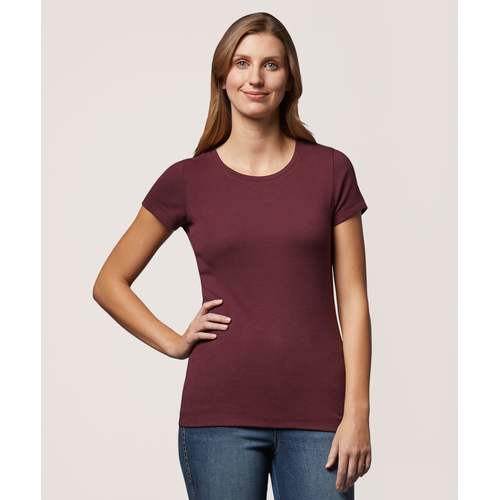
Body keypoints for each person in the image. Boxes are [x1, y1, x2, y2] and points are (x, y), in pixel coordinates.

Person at [93, 11, 372, 500]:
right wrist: (174, 341)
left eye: (271, 65)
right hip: (218, 418)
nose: (255, 78)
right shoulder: (187, 180)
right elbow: (109, 282)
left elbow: (353, 300)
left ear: (290, 80)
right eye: (242, 63)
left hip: (320, 417)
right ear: (223, 77)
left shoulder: (331, 170)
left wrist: (358, 413)